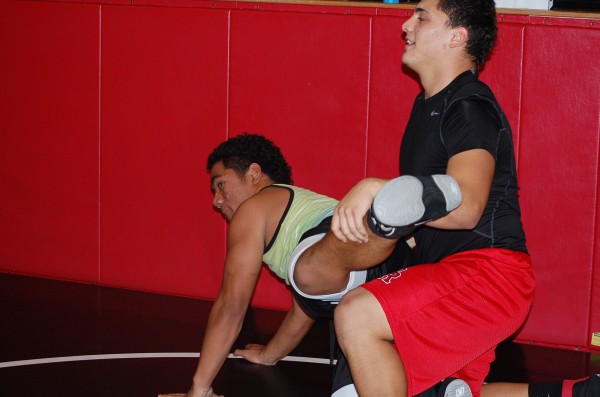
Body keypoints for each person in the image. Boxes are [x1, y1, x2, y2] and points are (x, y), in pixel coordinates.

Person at [324, 1, 599, 397]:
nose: (406, 25)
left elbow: (467, 207)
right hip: (463, 276)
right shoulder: (427, 106)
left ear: (457, 36)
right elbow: (424, 216)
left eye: (421, 15)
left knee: (356, 315)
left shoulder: (468, 106)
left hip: (490, 275)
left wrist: (374, 188)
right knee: (446, 391)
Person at [159, 133, 425, 397]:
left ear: (253, 173)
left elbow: (232, 305)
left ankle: (386, 220)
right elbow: (305, 308)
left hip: (359, 253)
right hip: (390, 284)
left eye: (220, 184)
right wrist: (268, 354)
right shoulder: (297, 216)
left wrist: (199, 388)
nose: (216, 200)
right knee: (309, 287)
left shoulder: (253, 210)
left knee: (306, 274)